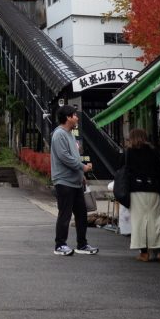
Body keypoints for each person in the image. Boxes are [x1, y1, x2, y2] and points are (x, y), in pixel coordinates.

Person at [50, 107, 97, 256]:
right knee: (65, 214)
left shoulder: (70, 135)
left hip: (75, 182)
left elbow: (73, 157)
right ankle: (60, 245)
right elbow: (64, 157)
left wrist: (81, 175)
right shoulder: (59, 134)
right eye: (75, 115)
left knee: (81, 214)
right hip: (63, 181)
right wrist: (83, 168)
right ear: (68, 118)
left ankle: (82, 245)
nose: (77, 118)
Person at [126, 128, 160, 262]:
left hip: (136, 190)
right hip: (153, 189)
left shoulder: (129, 153)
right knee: (156, 220)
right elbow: (159, 172)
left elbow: (125, 172)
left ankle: (144, 253)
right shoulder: (153, 152)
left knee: (139, 221)